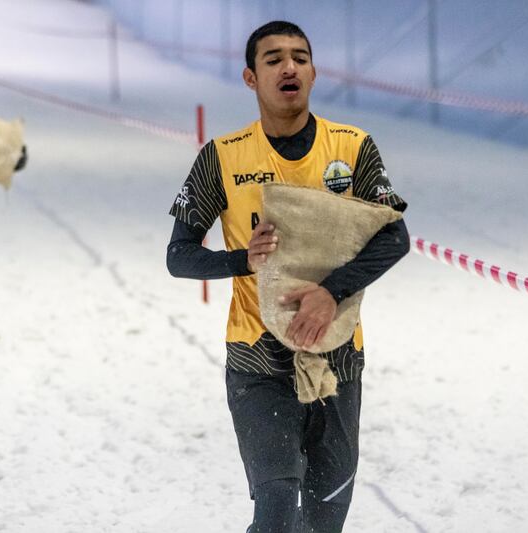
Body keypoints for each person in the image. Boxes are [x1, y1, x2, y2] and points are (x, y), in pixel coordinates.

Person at [167, 21, 409, 532]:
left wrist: (330, 292)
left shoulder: (353, 147)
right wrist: (241, 261)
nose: (289, 66)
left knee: (322, 524)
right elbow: (179, 256)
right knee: (277, 511)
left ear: (315, 73)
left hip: (338, 358)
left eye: (299, 57)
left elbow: (395, 237)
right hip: (258, 358)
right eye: (273, 59)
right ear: (251, 78)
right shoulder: (223, 157)